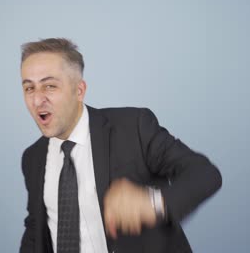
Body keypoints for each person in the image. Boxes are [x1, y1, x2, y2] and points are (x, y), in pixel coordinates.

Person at [19, 38, 222, 253]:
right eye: (29, 88)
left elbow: (204, 173)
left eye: (49, 86)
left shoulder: (133, 127)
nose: (37, 99)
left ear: (79, 91)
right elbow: (36, 227)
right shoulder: (33, 157)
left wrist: (151, 203)